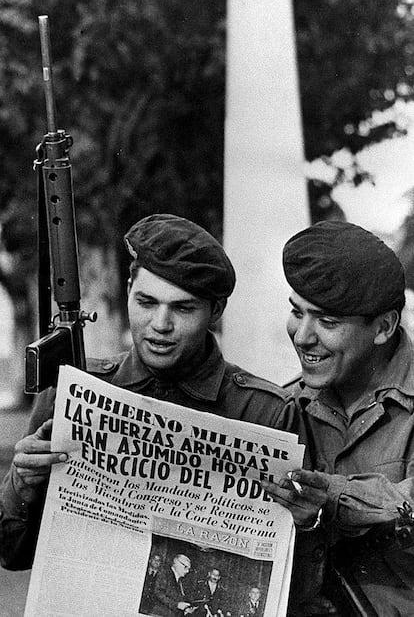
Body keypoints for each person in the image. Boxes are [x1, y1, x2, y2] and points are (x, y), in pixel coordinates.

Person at [0, 213, 301, 571]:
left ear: (215, 311)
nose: (160, 325)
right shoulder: (71, 390)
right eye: (146, 302)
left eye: (182, 308)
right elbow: (12, 554)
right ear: (128, 291)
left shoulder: (263, 412)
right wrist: (21, 485)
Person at [262, 220, 414, 617]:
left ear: (383, 328)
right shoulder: (287, 406)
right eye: (297, 313)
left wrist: (330, 497)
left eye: (327, 322)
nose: (302, 336)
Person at [152, 553, 195, 617]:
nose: (187, 571)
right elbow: (158, 594)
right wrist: (177, 605)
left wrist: (186, 608)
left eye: (188, 569)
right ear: (176, 563)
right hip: (159, 613)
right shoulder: (164, 573)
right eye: (185, 567)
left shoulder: (180, 580)